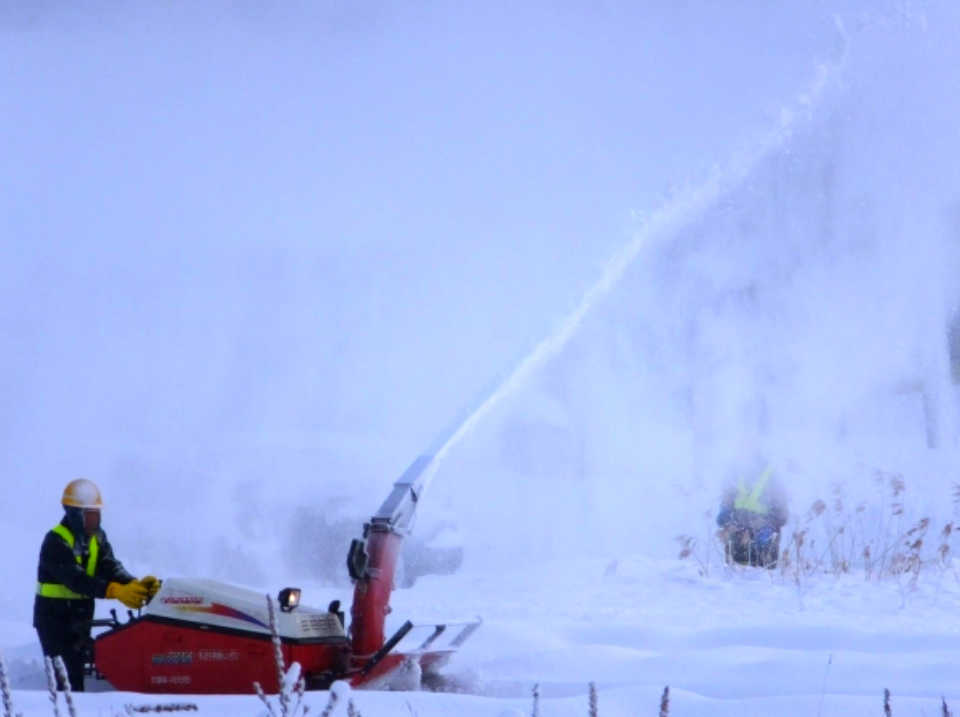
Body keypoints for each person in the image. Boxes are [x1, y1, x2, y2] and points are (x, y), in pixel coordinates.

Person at [34, 478, 161, 691]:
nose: (95, 520)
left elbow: (110, 567)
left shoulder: (97, 538)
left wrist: (135, 585)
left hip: (80, 618)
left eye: (97, 514)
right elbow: (77, 580)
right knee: (67, 681)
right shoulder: (55, 542)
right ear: (74, 514)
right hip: (54, 621)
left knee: (80, 673)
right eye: (90, 515)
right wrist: (114, 591)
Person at [716, 459, 788, 568]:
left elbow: (781, 513)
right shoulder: (735, 471)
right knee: (735, 575)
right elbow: (727, 499)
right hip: (738, 533)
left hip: (764, 535)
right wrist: (726, 518)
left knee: (764, 576)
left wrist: (767, 525)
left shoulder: (771, 476)